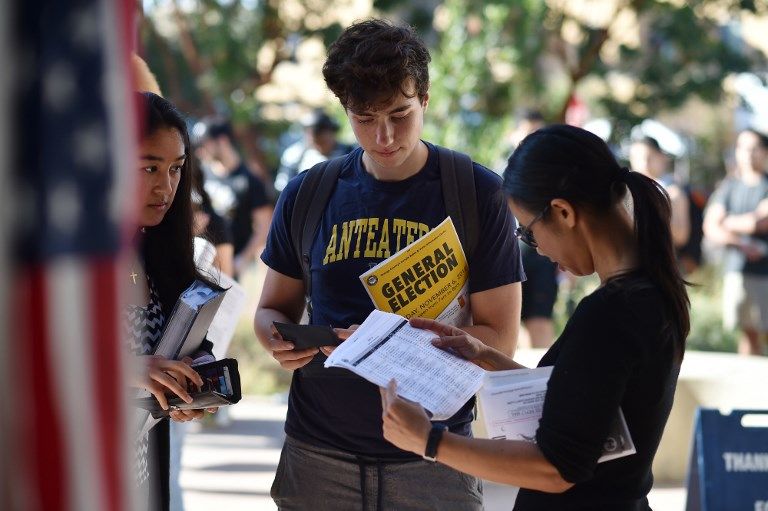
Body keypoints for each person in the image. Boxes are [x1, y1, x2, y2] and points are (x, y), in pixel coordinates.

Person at [254, 19, 524, 510]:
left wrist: (394, 344)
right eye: (364, 117)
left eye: (400, 114)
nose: (383, 136)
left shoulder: (476, 193)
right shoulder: (309, 193)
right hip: (318, 453)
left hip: (435, 456)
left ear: (424, 98)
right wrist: (278, 339)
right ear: (344, 110)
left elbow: (501, 337)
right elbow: (271, 310)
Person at [379, 124, 690, 510]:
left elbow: (558, 468)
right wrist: (486, 357)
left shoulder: (611, 314)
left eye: (528, 232)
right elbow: (585, 406)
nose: (538, 249)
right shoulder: (651, 294)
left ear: (562, 212)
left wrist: (428, 440)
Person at [126, 91, 217, 510]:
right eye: (149, 167)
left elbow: (174, 348)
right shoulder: (55, 259)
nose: (166, 187)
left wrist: (189, 386)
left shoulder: (155, 252)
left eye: (176, 168)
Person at [703, 128, 768, 356]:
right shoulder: (729, 186)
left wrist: (727, 222)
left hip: (764, 273)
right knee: (747, 333)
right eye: (742, 148)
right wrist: (741, 242)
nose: (748, 154)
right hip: (737, 270)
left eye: (754, 148)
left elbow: (760, 223)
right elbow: (710, 226)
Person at [507, 109, 559, 348]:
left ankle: (540, 382)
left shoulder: (550, 175)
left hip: (544, 259)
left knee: (539, 320)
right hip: (510, 257)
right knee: (512, 323)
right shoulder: (498, 171)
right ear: (513, 134)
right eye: (527, 134)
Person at [195, 117, 272, 277]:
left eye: (204, 143)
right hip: (203, 264)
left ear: (222, 140)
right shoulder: (201, 175)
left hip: (233, 270)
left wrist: (242, 259)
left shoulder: (249, 180)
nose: (200, 150)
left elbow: (264, 226)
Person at [629, 135, 692, 260]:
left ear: (661, 157)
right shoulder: (624, 192)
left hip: (663, 262)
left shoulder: (674, 193)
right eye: (637, 158)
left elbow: (681, 236)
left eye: (649, 157)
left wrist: (659, 209)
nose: (644, 163)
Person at [274, 109, 354, 193]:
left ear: (332, 132)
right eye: (316, 142)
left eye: (323, 142)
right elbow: (283, 187)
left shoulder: (349, 152)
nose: (320, 146)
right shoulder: (294, 156)